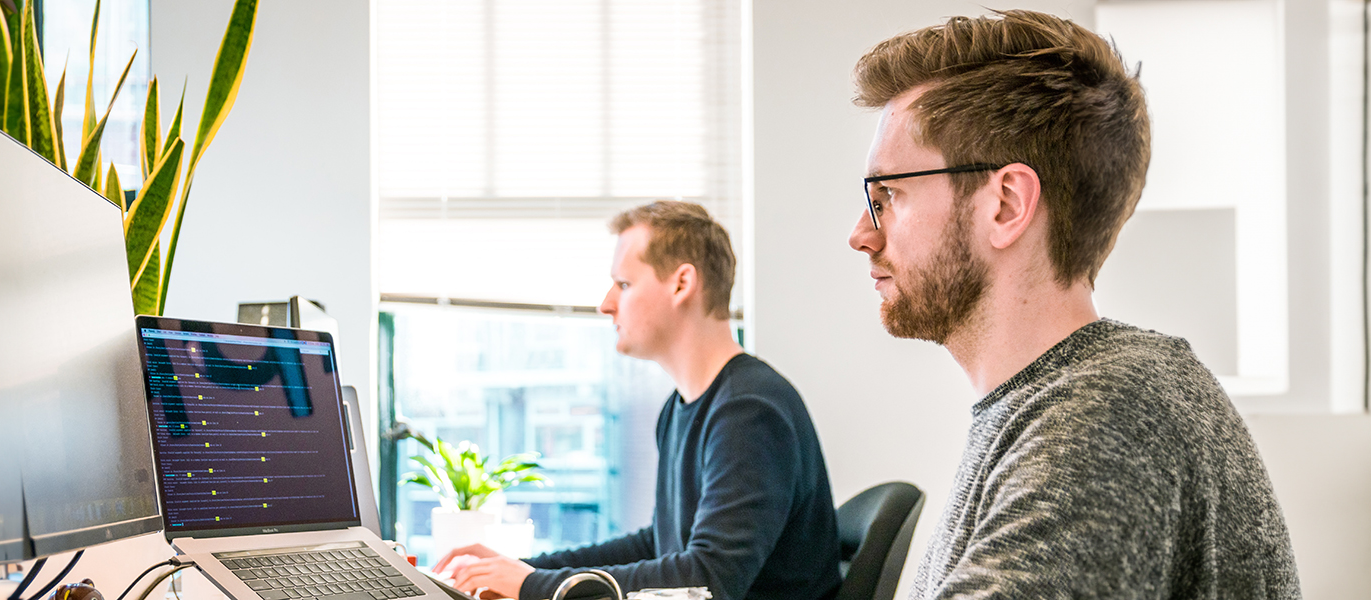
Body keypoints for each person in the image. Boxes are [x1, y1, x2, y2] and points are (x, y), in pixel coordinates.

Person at [846, 10, 1300, 598]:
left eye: (888, 194)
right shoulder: (1050, 403)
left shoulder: (1108, 416)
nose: (861, 232)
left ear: (1006, 204)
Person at [436, 201, 842, 600]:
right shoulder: (682, 408)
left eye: (624, 285)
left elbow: (707, 580)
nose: (606, 303)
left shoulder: (749, 412)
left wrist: (530, 585)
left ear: (682, 284)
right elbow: (659, 545)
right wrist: (525, 568)